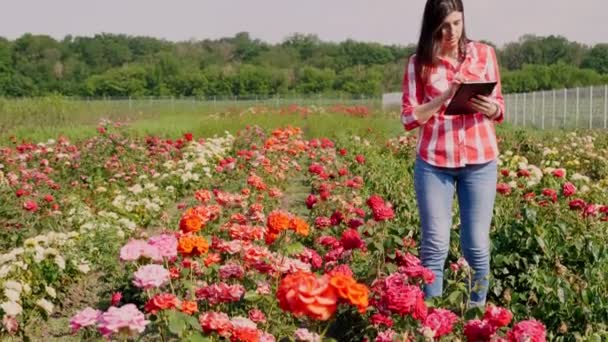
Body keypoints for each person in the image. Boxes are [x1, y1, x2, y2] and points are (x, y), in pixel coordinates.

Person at [400, 0, 505, 308]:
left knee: (476, 245)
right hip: (434, 163)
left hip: (480, 160)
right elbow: (409, 117)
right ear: (431, 26)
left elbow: (500, 106)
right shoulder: (419, 63)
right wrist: (446, 96)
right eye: (444, 25)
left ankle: (476, 318)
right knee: (435, 245)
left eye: (457, 23)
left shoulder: (484, 54)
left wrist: (492, 107)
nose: (451, 32)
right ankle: (433, 320)